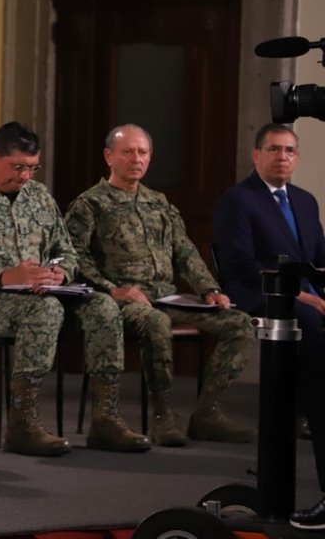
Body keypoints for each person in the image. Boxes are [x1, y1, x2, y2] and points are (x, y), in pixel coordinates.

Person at [0, 122, 150, 456]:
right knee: (43, 311)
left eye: (32, 168)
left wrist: (59, 271)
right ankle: (23, 424)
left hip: (41, 295)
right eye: (17, 167)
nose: (25, 176)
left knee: (102, 306)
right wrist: (5, 276)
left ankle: (105, 420)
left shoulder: (39, 197)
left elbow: (65, 251)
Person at [64, 124, 255, 448]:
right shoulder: (90, 203)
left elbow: (184, 251)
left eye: (143, 152)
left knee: (240, 324)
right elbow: (73, 255)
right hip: (123, 300)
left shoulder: (159, 203)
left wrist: (209, 289)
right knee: (156, 323)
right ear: (109, 156)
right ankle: (163, 416)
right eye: (128, 152)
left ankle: (207, 414)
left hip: (166, 295)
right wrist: (111, 288)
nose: (136, 159)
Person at [213, 123, 325, 531]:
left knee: (316, 317)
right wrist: (301, 296)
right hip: (261, 294)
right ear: (255, 154)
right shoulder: (237, 201)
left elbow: (319, 260)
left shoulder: (306, 201)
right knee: (312, 327)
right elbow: (239, 265)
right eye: (274, 149)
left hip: (309, 300)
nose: (283, 157)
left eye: (290, 150)